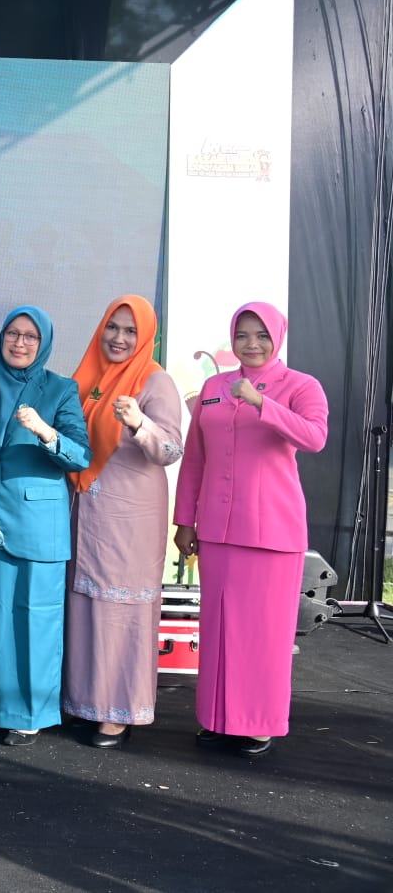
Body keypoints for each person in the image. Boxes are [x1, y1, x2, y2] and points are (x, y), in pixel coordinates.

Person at [173, 302, 328, 758]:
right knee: (220, 630)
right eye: (243, 335)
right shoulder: (215, 387)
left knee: (262, 634)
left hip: (272, 533)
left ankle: (256, 724)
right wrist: (185, 520)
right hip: (218, 530)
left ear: (277, 336)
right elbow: (195, 456)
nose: (252, 344)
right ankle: (219, 719)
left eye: (261, 334)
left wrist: (263, 403)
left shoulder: (300, 385)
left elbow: (314, 436)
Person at [63, 296, 183, 749]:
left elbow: (172, 451)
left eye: (130, 331)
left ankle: (118, 714)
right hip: (85, 512)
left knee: (121, 611)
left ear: (146, 336)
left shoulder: (156, 381)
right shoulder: (87, 376)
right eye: (112, 326)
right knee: (85, 607)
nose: (118, 338)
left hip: (130, 518)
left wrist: (140, 423)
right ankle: (83, 704)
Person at [0, 306, 90, 747]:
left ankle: (30, 715)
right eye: (12, 334)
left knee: (35, 619)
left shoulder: (60, 389)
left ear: (44, 344)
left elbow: (81, 455)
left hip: (39, 523)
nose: (19, 343)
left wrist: (44, 431)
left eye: (30, 337)